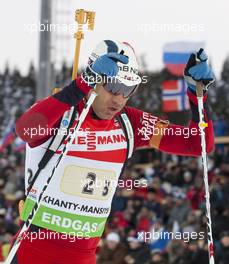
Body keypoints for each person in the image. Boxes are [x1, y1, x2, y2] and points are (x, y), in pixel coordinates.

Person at [14, 40, 214, 263]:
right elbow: (25, 129)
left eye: (128, 89)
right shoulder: (62, 112)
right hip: (32, 252)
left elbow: (197, 144)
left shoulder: (130, 122)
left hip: (84, 256)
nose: (119, 99)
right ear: (94, 80)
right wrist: (82, 83)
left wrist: (198, 97)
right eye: (113, 87)